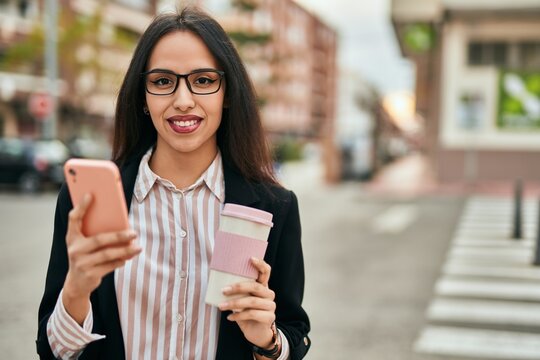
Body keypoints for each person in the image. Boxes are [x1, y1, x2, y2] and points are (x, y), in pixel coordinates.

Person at [36, 6, 310, 360]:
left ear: (227, 94)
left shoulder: (274, 206)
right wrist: (75, 292)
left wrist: (268, 341)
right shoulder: (85, 200)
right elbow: (51, 351)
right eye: (163, 81)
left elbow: (294, 334)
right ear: (143, 98)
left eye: (204, 80)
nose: (183, 101)